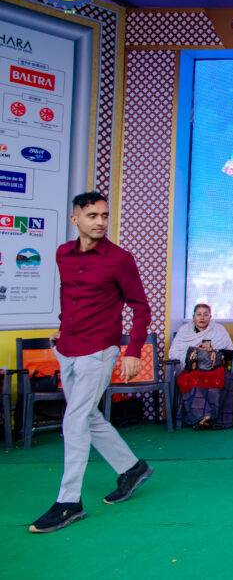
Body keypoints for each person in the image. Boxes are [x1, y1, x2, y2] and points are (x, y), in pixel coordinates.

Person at [29, 192, 154, 533]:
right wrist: (62, 326)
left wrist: (132, 351)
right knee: (88, 416)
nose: (100, 222)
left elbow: (140, 308)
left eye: (104, 215)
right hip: (67, 348)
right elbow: (69, 295)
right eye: (92, 216)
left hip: (99, 351)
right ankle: (132, 468)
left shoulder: (120, 259)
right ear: (76, 220)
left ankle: (69, 502)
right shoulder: (63, 254)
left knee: (74, 420)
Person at [169, 303, 233, 430]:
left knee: (228, 378)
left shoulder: (219, 330)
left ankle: (216, 419)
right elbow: (174, 353)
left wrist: (217, 353)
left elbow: (231, 351)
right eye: (199, 314)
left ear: (210, 317)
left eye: (206, 314)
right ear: (193, 317)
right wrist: (192, 354)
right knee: (190, 378)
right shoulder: (185, 331)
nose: (202, 317)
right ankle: (204, 416)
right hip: (192, 369)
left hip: (214, 368)